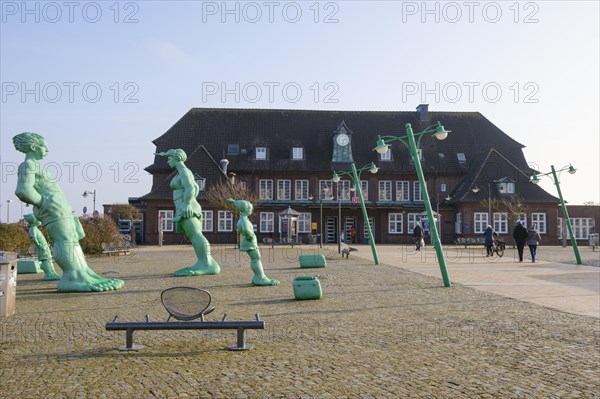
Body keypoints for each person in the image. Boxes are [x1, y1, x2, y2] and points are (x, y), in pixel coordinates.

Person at [13, 132, 124, 291]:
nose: (47, 150)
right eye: (44, 147)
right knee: (64, 240)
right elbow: (23, 190)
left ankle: (84, 274)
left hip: (60, 209)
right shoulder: (28, 165)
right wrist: (45, 203)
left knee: (71, 238)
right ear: (32, 146)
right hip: (53, 210)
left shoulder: (36, 165)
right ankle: (71, 277)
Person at [155, 149, 220, 276]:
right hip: (183, 207)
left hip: (187, 207)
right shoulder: (181, 172)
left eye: (169, 158)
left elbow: (190, 188)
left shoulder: (184, 171)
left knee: (196, 234)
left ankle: (206, 263)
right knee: (193, 235)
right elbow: (194, 188)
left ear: (176, 158)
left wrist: (186, 204)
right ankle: (206, 262)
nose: (168, 161)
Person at [227, 198, 279, 286]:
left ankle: (258, 276)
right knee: (256, 258)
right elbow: (246, 230)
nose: (252, 209)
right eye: (251, 208)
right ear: (247, 209)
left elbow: (239, 229)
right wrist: (250, 237)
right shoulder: (244, 220)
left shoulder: (242, 219)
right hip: (249, 242)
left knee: (255, 258)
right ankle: (260, 277)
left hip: (247, 242)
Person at [23, 213, 60, 281]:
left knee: (49, 260)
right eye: (38, 219)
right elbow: (33, 238)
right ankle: (48, 274)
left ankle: (53, 273)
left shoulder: (36, 228)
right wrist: (39, 246)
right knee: (45, 260)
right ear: (34, 221)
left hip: (44, 246)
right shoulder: (33, 229)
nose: (40, 221)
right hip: (41, 247)